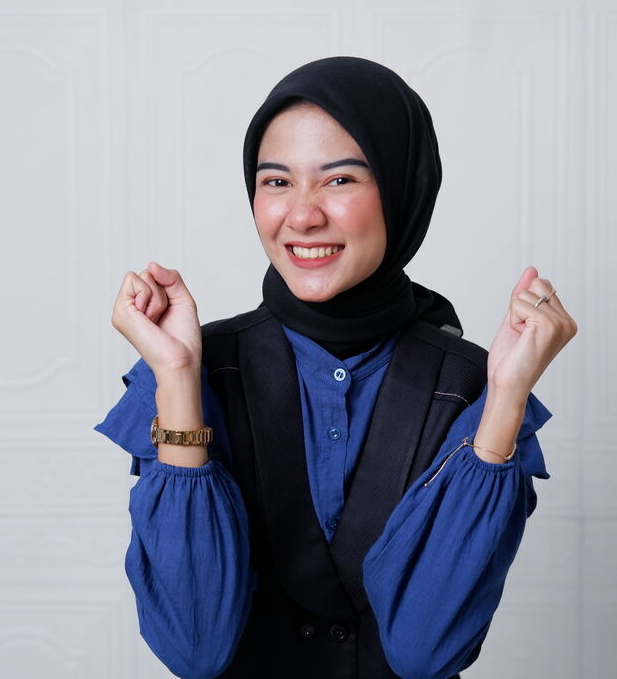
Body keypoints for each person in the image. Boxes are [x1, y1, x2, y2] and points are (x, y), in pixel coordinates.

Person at [95, 56, 577, 679]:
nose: (301, 215)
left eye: (340, 180)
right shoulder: (195, 372)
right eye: (276, 181)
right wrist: (180, 378)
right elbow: (195, 648)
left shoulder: (472, 386)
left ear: (401, 189)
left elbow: (425, 651)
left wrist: (505, 397)